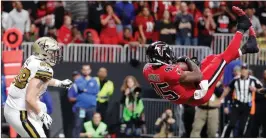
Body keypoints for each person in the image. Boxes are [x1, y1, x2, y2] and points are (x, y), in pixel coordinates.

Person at [142, 6, 259, 106]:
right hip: (202, 91)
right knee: (223, 59)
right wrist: (188, 60)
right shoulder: (169, 72)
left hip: (189, 94)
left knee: (211, 58)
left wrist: (185, 64)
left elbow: (171, 71)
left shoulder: (148, 70)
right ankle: (242, 28)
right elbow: (198, 75)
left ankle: (247, 48)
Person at [4, 37, 73, 138]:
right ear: (43, 52)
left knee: (42, 107)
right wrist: (41, 114)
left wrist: (60, 83)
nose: (55, 55)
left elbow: (39, 80)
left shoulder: (32, 59)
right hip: (20, 112)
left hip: (13, 106)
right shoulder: (43, 68)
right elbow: (30, 98)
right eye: (52, 52)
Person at [220, 64, 263, 137]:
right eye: (242, 69)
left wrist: (255, 89)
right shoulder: (235, 79)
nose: (243, 71)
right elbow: (228, 89)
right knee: (231, 124)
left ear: (247, 71)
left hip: (246, 106)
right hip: (236, 105)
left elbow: (262, 89)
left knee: (242, 127)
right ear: (241, 70)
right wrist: (220, 98)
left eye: (245, 69)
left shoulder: (253, 80)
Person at [68, 65, 99, 138]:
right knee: (78, 125)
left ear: (90, 70)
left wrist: (86, 90)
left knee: (91, 125)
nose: (86, 71)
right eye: (84, 70)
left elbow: (96, 91)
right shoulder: (78, 80)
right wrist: (88, 87)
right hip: (81, 107)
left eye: (87, 69)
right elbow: (81, 88)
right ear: (82, 71)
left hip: (91, 107)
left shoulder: (94, 80)